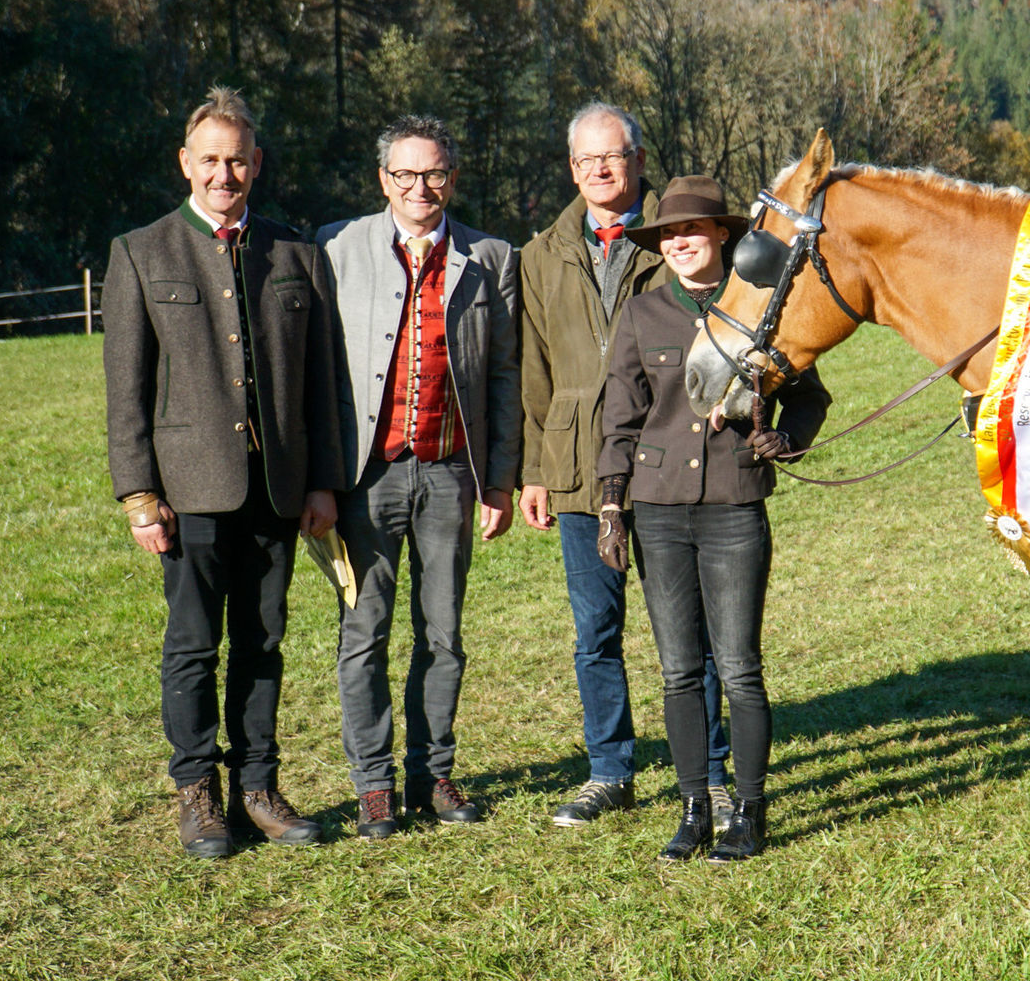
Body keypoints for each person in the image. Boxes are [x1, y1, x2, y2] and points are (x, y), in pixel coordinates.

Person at [103, 86, 343, 858]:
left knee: (262, 640)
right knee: (194, 644)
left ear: (257, 163)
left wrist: (322, 480)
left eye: (236, 160)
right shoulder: (141, 252)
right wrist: (140, 494)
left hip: (278, 487)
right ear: (186, 162)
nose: (223, 174)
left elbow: (323, 382)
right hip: (189, 490)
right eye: (209, 159)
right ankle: (198, 792)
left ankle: (259, 786)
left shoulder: (298, 254)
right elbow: (126, 389)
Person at [598, 175, 830, 862]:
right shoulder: (642, 314)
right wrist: (611, 504)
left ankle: (749, 812)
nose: (679, 243)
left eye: (692, 230)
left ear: (722, 235)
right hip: (660, 509)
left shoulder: (759, 305)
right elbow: (620, 418)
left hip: (734, 505)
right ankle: (695, 808)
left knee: (739, 669)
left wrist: (786, 437)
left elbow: (810, 395)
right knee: (677, 671)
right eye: (669, 234)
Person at [519, 103, 734, 827]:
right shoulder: (541, 255)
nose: (599, 170)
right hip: (582, 465)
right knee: (596, 631)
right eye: (586, 160)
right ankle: (610, 770)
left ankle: (711, 771)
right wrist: (535, 470)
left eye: (612, 156)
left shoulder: (677, 237)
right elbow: (533, 369)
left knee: (694, 632)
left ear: (638, 160)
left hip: (676, 460)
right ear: (571, 168)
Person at [316, 115, 520, 840]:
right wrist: (319, 479)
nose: (419, 187)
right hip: (364, 478)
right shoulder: (336, 246)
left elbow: (504, 374)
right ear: (383, 179)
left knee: (444, 633)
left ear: (452, 178)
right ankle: (373, 786)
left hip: (450, 474)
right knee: (363, 632)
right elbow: (314, 369)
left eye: (433, 173)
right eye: (404, 173)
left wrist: (499, 480)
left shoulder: (492, 257)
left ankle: (431, 773)